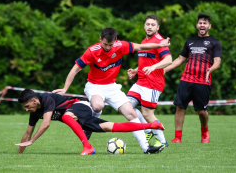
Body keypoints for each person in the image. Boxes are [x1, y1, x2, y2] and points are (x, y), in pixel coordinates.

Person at [52, 27, 170, 154]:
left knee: (131, 113)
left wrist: (160, 44)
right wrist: (65, 88)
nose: (108, 47)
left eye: (110, 44)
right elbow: (75, 69)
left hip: (112, 87)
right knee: (97, 106)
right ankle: (89, 125)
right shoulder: (92, 51)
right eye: (105, 44)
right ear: (100, 39)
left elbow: (140, 47)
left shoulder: (120, 46)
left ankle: (146, 148)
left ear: (116, 40)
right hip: (94, 86)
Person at [15, 89, 165, 155]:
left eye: (27, 106)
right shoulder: (35, 111)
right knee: (111, 127)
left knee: (67, 117)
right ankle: (151, 125)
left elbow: (46, 123)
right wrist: (19, 153)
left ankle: (88, 147)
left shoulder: (46, 99)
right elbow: (27, 133)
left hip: (81, 105)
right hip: (77, 117)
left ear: (34, 100)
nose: (27, 109)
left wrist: (33, 141)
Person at [164, 13, 222, 143]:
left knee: (201, 111)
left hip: (203, 81)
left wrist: (211, 68)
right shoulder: (190, 41)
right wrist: (165, 69)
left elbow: (217, 61)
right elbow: (180, 59)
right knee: (180, 107)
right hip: (186, 79)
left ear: (209, 26)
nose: (202, 25)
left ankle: (204, 131)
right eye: (200, 23)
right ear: (197, 25)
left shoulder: (215, 42)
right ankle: (178, 137)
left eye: (205, 23)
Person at [127, 15, 172, 147]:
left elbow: (168, 60)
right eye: (148, 24)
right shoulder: (144, 41)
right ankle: (148, 129)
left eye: (153, 25)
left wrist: (153, 67)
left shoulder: (159, 41)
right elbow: (147, 59)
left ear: (158, 27)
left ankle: (163, 141)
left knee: (147, 114)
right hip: (140, 82)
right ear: (144, 26)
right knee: (126, 106)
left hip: (153, 84)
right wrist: (136, 70)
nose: (150, 26)